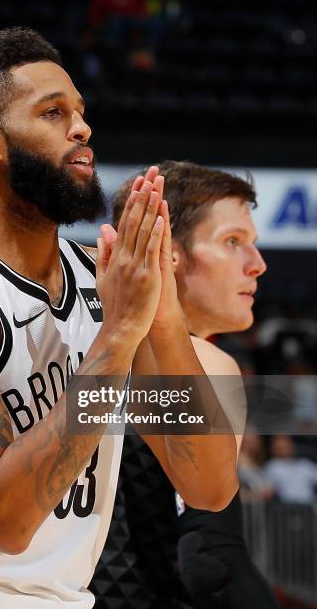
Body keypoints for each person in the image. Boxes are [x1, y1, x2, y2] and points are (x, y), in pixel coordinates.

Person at [0, 29, 237, 609]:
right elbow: (6, 521)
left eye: (81, 112)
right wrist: (115, 338)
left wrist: (159, 314)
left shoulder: (106, 281)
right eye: (52, 112)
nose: (82, 127)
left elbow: (209, 486)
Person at [93, 161, 278, 608]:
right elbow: (212, 562)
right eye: (233, 242)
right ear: (168, 251)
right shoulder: (211, 365)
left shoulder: (69, 339)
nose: (258, 264)